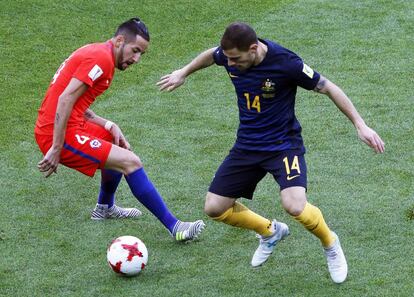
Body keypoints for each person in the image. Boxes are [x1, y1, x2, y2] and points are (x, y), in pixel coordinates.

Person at [157, 22, 385, 282]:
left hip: (282, 146)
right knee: (214, 208)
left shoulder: (286, 63)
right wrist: (183, 72)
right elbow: (212, 54)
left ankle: (330, 243)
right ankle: (270, 231)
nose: (230, 64)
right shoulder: (229, 55)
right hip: (247, 145)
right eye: (228, 58)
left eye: (235, 59)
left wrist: (360, 124)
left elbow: (328, 87)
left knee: (294, 205)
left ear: (254, 49)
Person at [35, 17, 205, 242]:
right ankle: (176, 227)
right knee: (130, 161)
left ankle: (105, 207)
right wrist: (57, 147)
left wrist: (108, 124)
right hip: (58, 133)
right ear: (119, 40)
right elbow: (65, 99)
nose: (136, 59)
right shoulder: (101, 59)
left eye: (141, 54)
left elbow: (76, 101)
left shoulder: (99, 52)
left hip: (67, 125)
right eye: (134, 51)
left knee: (113, 140)